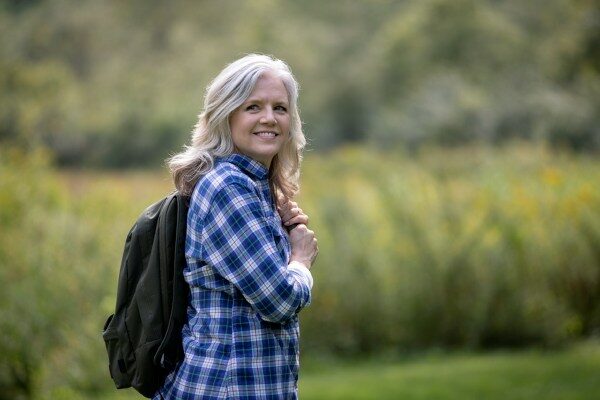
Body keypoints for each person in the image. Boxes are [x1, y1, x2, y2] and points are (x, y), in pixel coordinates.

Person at [153, 54, 318, 400]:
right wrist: (300, 260)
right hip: (225, 388)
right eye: (253, 107)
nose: (269, 118)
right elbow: (278, 299)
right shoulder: (227, 187)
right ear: (226, 114)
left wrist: (283, 232)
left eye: (280, 108)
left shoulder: (252, 187)